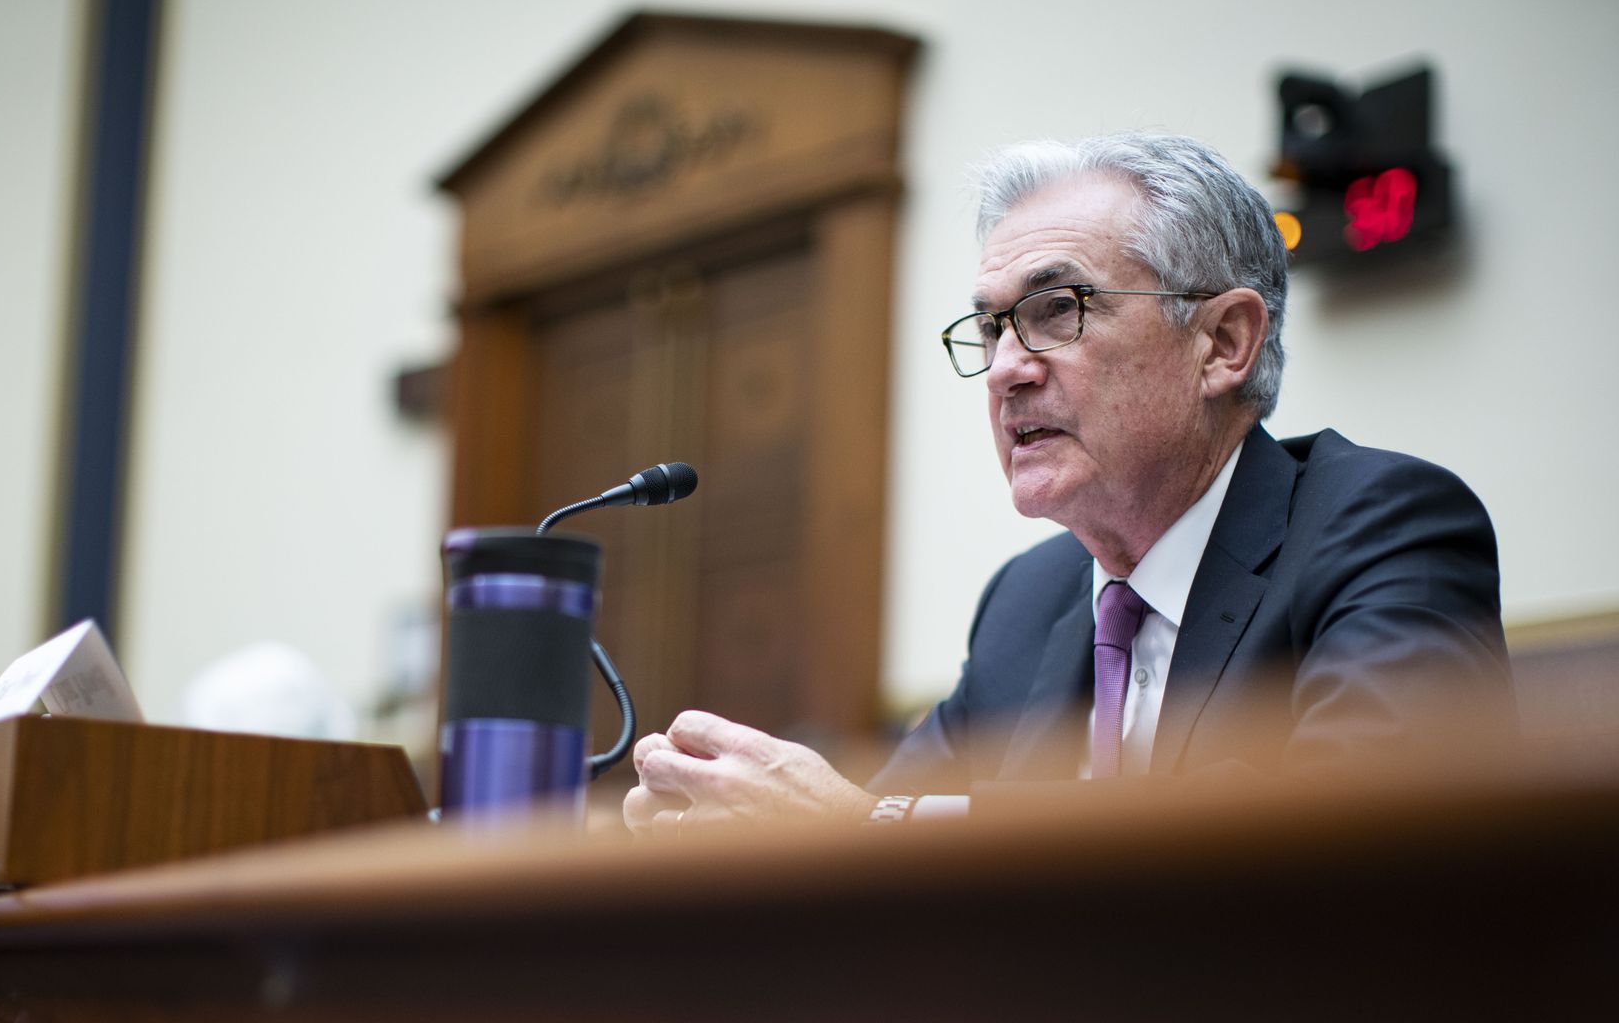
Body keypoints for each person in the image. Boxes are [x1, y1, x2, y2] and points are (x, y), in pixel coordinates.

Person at [624, 132, 1515, 835]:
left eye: (1058, 310)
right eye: (990, 328)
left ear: (1223, 344)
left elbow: (1362, 860)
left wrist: (864, 826)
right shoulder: (1028, 601)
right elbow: (879, 866)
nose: (1008, 367)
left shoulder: (1384, 529)